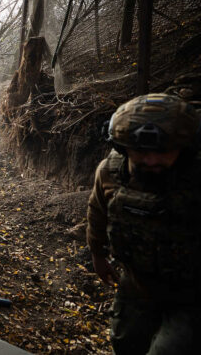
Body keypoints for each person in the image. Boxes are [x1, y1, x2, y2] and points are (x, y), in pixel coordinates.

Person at [87, 93, 201, 354]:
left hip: (191, 295)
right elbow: (97, 211)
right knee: (125, 343)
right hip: (136, 285)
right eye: (139, 151)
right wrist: (97, 254)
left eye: (162, 151)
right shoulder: (111, 172)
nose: (150, 161)